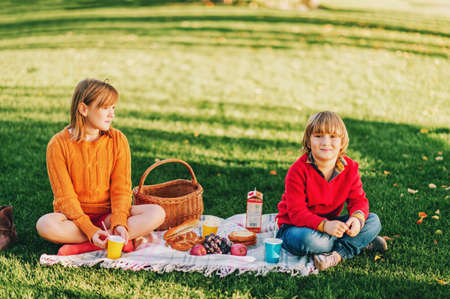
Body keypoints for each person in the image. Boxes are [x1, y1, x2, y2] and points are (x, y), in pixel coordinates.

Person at [36, 78, 165, 255]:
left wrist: (119, 222)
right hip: (73, 219)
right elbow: (64, 197)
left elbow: (121, 189)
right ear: (83, 109)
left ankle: (89, 244)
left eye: (113, 108)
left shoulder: (118, 140)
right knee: (45, 225)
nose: (111, 114)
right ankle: (111, 241)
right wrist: (89, 229)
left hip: (109, 215)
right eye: (105, 108)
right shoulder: (58, 145)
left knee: (157, 213)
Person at [276, 111, 387, 271]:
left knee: (373, 220)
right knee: (307, 240)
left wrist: (356, 219)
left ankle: (336, 255)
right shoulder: (298, 171)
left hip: (331, 226)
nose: (325, 142)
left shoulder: (350, 168)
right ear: (308, 141)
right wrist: (325, 225)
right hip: (296, 228)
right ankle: (359, 243)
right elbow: (297, 213)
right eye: (318, 136)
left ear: (342, 141)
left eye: (333, 137)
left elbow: (358, 200)